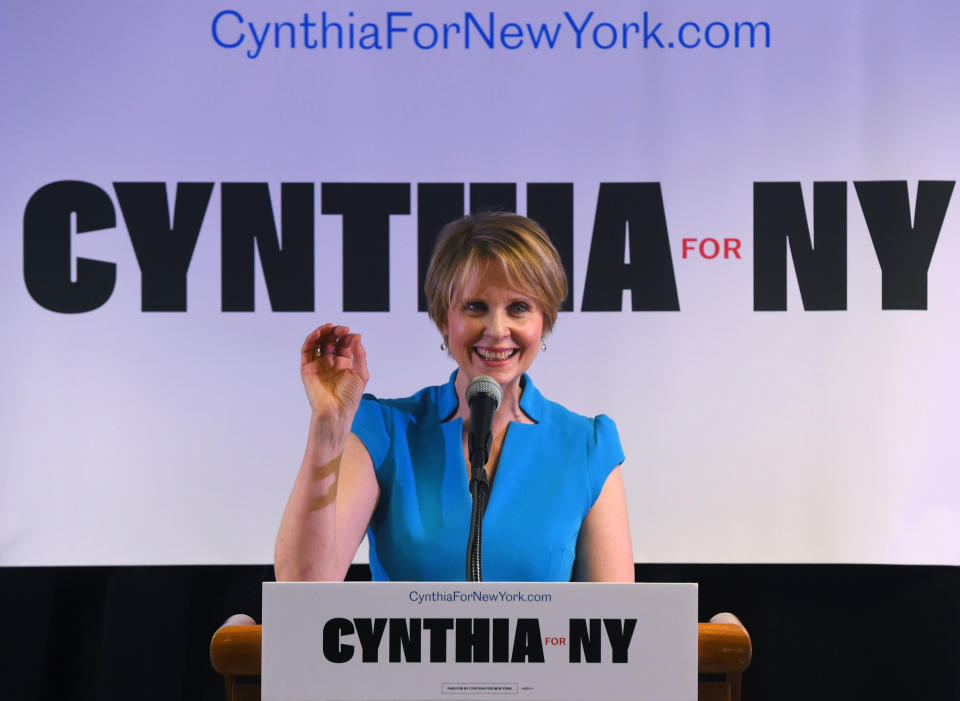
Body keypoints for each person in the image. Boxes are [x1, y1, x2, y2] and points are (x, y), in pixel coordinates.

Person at [275, 212, 633, 582]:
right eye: (475, 306)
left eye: (519, 308)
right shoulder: (385, 432)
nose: (496, 329)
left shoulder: (588, 446)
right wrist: (328, 424)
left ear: (544, 319)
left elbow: (620, 627)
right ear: (445, 319)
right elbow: (302, 591)